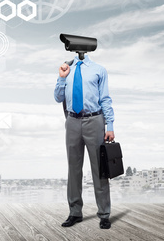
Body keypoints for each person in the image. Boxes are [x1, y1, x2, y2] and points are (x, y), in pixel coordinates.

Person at [54, 54, 115, 230]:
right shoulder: (67, 69)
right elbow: (58, 98)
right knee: (73, 169)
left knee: (99, 169)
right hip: (72, 121)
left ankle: (104, 214)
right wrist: (61, 78)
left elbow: (105, 98)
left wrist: (109, 125)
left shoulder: (98, 70)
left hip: (94, 120)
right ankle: (75, 213)